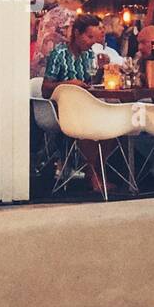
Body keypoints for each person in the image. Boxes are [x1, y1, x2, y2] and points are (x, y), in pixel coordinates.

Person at [42, 14, 113, 194]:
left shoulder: (89, 55)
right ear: (76, 33)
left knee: (112, 128)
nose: (92, 42)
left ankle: (96, 171)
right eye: (89, 37)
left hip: (85, 106)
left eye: (94, 38)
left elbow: (89, 83)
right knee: (89, 129)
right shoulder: (59, 54)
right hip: (63, 109)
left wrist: (102, 71)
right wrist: (67, 84)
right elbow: (45, 88)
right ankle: (93, 174)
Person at [32, 0, 87, 77]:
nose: (81, 4)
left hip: (40, 66)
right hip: (59, 66)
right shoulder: (71, 15)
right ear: (68, 0)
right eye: (79, 0)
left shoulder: (48, 15)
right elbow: (72, 38)